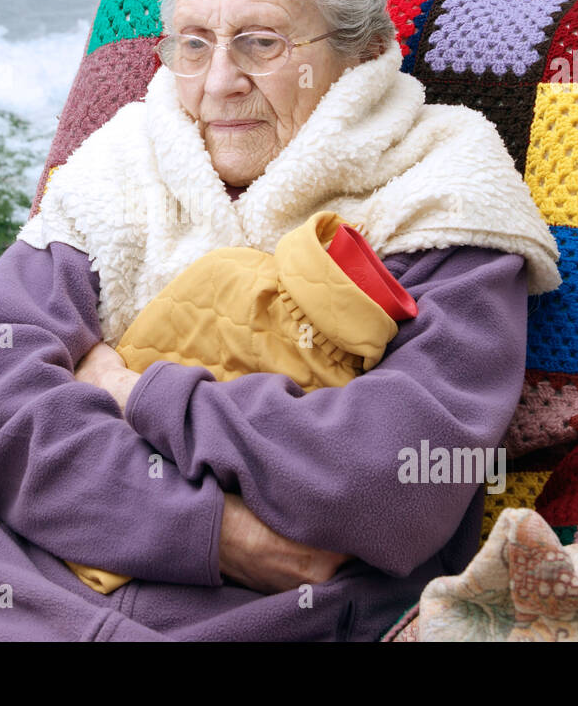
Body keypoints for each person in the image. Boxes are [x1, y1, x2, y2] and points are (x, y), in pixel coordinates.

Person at [0, 0, 560, 642]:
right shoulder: (124, 160)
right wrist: (217, 530)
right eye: (194, 42)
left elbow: (397, 474)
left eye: (262, 43)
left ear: (364, 50)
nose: (217, 83)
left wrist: (129, 388)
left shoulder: (440, 187)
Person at [65, 208, 418, 594]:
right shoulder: (91, 191)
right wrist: (217, 532)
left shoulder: (451, 214)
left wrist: (123, 389)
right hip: (34, 578)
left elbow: (388, 483)